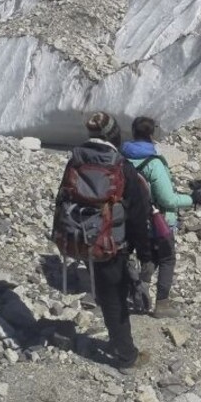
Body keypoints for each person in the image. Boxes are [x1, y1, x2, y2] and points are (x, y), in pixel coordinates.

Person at [57, 112, 153, 372]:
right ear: (114, 135)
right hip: (112, 243)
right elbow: (139, 214)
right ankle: (126, 356)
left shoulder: (76, 161)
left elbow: (63, 198)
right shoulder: (121, 167)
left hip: (82, 238)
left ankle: (118, 342)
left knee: (105, 292)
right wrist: (145, 254)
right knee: (116, 299)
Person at [120, 116, 201, 319]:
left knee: (149, 257)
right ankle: (162, 304)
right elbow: (167, 199)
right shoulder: (154, 164)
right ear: (152, 134)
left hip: (131, 219)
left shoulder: (122, 159)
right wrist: (192, 199)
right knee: (167, 259)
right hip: (156, 221)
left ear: (133, 132)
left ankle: (139, 292)